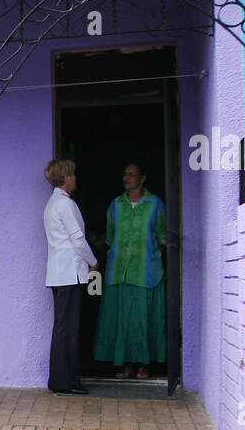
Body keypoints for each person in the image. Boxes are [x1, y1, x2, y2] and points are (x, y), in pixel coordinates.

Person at [93, 163, 167, 379]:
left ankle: (144, 364)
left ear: (142, 178)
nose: (127, 178)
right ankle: (125, 364)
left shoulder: (155, 204)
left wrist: (150, 256)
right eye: (125, 174)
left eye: (132, 174)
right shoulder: (116, 205)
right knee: (122, 321)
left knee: (143, 320)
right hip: (119, 273)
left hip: (147, 273)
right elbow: (110, 237)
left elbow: (162, 236)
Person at [43, 158, 98, 395]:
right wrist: (93, 261)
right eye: (73, 174)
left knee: (62, 327)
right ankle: (67, 381)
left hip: (58, 273)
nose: (75, 178)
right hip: (69, 274)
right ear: (66, 177)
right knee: (68, 328)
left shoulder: (53, 203)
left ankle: (60, 379)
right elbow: (78, 239)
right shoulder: (66, 205)